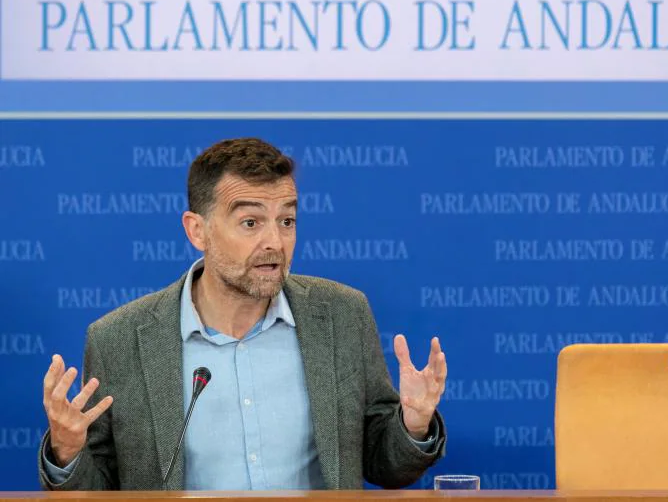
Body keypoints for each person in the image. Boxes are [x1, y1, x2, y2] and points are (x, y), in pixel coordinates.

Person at [38, 137, 447, 490]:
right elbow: (101, 488)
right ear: (197, 230)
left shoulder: (342, 315)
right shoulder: (119, 339)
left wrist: (411, 426)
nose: (275, 241)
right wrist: (67, 452)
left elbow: (384, 463)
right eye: (251, 222)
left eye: (287, 220)